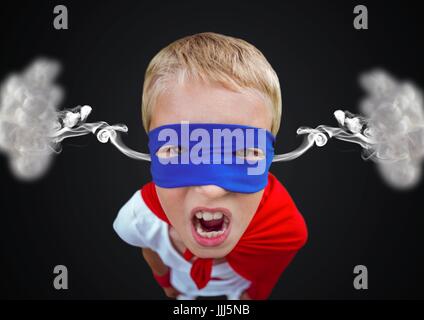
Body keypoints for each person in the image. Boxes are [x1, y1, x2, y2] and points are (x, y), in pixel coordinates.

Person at [113, 32, 308, 300]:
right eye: (177, 150)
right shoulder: (138, 219)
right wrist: (165, 284)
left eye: (243, 152)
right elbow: (151, 251)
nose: (211, 189)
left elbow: (268, 273)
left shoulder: (285, 232)